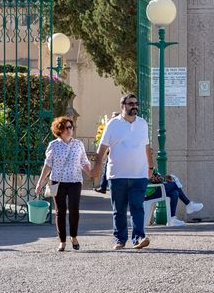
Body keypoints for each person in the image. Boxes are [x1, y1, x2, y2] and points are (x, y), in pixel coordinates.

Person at [92, 94, 156, 250]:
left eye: (136, 103)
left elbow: (147, 147)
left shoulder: (142, 124)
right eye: (130, 103)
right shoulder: (112, 124)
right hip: (117, 175)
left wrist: (150, 168)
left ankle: (139, 238)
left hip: (139, 174)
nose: (134, 106)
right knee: (119, 210)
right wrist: (97, 169)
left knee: (137, 207)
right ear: (123, 105)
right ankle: (120, 240)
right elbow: (102, 149)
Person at [34, 116, 91, 251]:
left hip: (75, 181)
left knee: (74, 209)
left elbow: (84, 162)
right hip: (57, 182)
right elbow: (48, 165)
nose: (69, 130)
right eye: (66, 127)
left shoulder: (78, 144)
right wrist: (40, 182)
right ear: (59, 130)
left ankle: (74, 236)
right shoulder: (53, 145)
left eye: (71, 127)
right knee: (60, 211)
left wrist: (92, 172)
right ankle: (62, 241)